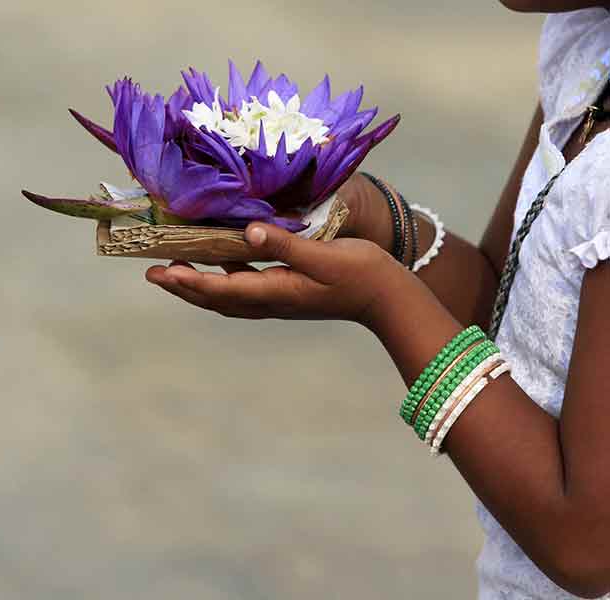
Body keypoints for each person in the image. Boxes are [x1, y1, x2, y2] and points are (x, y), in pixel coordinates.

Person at [146, 3, 610, 599]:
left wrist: (384, 299)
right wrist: (379, 221)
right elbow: (511, 316)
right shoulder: (589, 51)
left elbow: (587, 544)